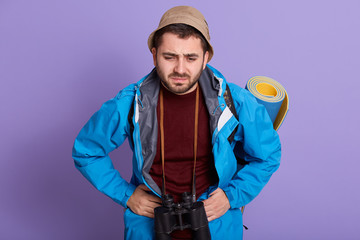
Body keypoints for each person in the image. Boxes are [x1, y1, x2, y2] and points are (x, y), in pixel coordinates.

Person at [72, 5, 281, 240]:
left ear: (206, 58)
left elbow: (268, 155)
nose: (180, 69)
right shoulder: (129, 103)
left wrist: (232, 197)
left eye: (191, 57)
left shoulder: (236, 102)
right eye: (169, 57)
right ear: (154, 54)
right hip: (149, 228)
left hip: (216, 226)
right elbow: (86, 151)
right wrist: (127, 195)